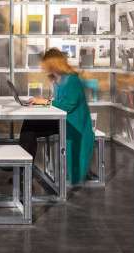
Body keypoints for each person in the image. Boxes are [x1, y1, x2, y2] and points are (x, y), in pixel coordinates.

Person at [21, 48, 94, 185]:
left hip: (72, 123)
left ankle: (23, 168)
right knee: (29, 125)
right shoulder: (58, 79)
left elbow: (67, 106)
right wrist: (43, 101)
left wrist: (44, 102)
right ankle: (23, 167)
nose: (43, 68)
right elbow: (58, 102)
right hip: (62, 120)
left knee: (30, 127)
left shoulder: (72, 80)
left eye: (46, 65)